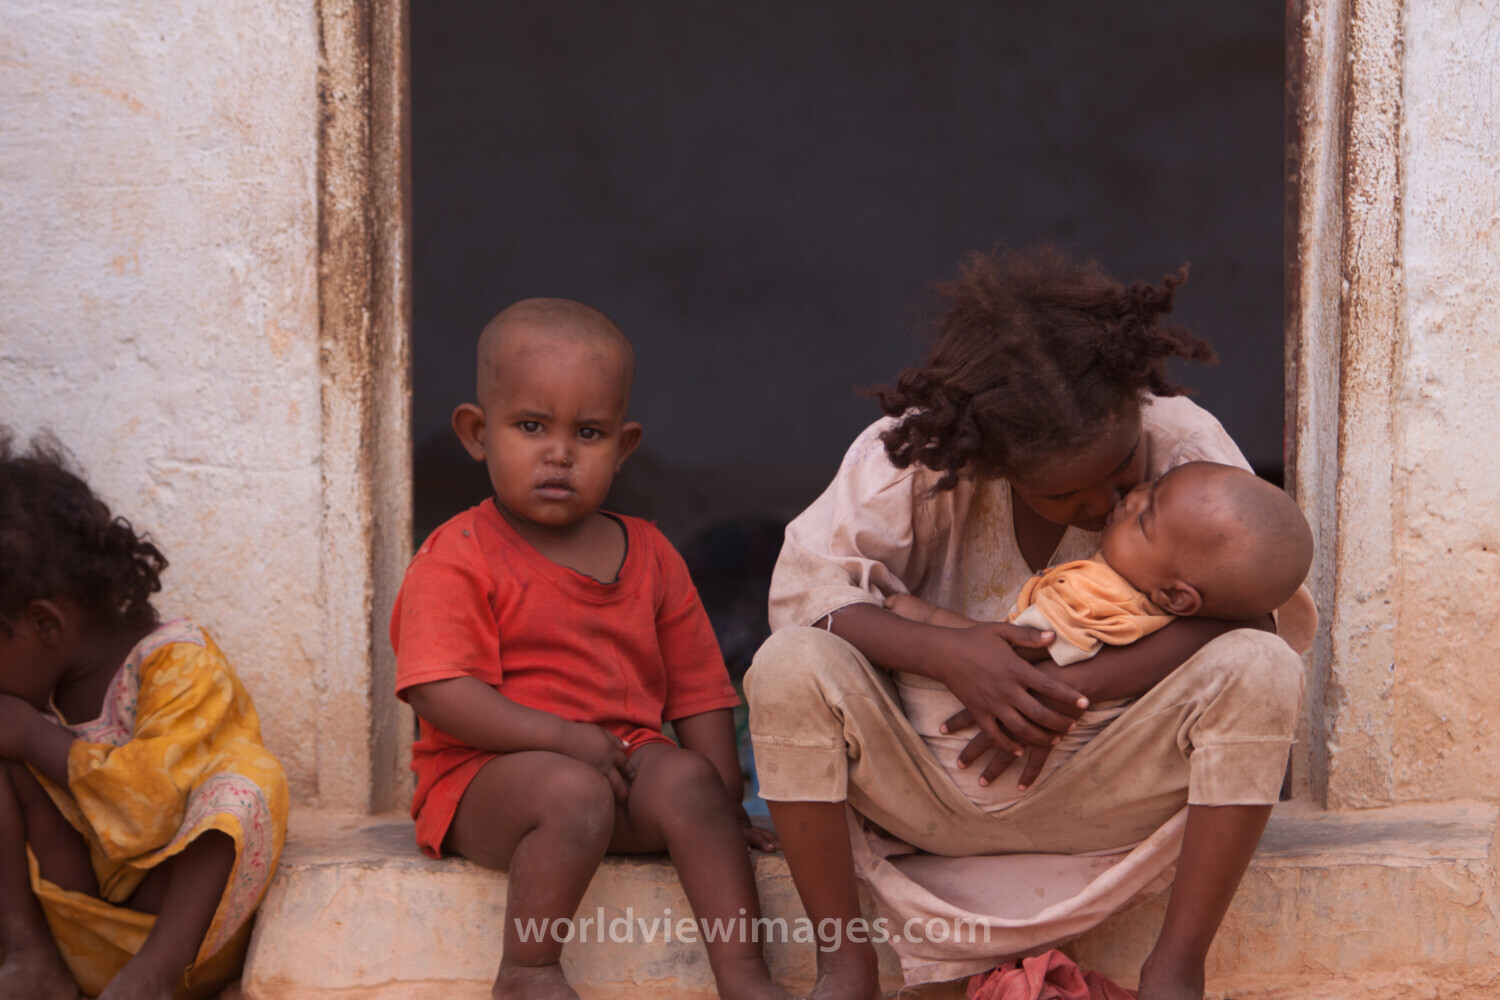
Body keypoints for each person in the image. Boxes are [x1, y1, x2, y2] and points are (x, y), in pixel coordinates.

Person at [745, 247, 1310, 1000]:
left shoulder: (1179, 442)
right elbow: (805, 594)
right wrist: (952, 657)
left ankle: (1175, 971)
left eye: (1122, 474)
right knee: (789, 664)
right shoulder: (927, 449)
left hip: (1106, 788)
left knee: (1264, 668)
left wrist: (1072, 688)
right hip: (932, 790)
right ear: (997, 466)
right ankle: (844, 967)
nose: (1108, 503)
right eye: (1069, 495)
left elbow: (1260, 620)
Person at [391, 299, 791, 1000]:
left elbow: (700, 691)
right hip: (487, 785)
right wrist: (562, 738)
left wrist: (723, 809)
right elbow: (440, 690)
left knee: (692, 780)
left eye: (588, 432)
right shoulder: (457, 554)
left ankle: (745, 978)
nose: (560, 453)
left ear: (624, 446)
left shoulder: (653, 554)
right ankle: (528, 971)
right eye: (530, 426)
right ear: (476, 433)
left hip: (619, 772)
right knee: (571, 791)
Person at [0, 431, 289, 1000]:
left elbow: (154, 809)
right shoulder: (39, 690)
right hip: (78, 929)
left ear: (45, 624)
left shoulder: (178, 662)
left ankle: (149, 982)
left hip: (175, 934)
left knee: (248, 785)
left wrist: (34, 737)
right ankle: (27, 953)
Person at [886, 460, 1313, 801]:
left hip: (974, 764)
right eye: (1155, 484)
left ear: (1177, 596)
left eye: (1145, 521)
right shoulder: (1180, 608)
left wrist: (924, 619)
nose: (1132, 499)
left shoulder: (1097, 594)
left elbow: (1012, 652)